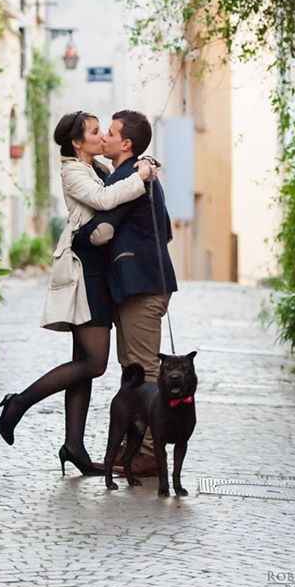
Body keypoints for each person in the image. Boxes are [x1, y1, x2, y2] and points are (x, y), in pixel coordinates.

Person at [0, 111, 156, 476]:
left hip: (98, 271)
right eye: (95, 132)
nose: (101, 137)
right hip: (86, 273)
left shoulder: (94, 165)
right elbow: (103, 200)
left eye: (103, 131)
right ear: (77, 143)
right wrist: (141, 177)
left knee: (82, 362)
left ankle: (74, 446)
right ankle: (18, 404)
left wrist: (141, 163)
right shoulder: (73, 171)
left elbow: (117, 179)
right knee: (93, 363)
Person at [72, 110, 178, 477]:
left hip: (142, 287)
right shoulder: (129, 174)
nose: (104, 139)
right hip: (140, 285)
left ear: (126, 143)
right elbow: (164, 231)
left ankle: (149, 453)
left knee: (145, 370)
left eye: (111, 133)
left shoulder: (131, 176)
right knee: (134, 370)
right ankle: (136, 449)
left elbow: (104, 226)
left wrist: (78, 239)